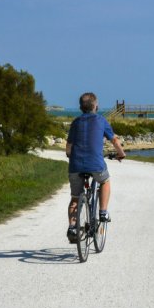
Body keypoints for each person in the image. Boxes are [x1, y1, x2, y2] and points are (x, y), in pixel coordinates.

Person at [66, 92, 126, 241]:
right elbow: (115, 141)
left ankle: (73, 228)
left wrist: (69, 155)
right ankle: (103, 212)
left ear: (81, 107)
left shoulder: (75, 122)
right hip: (95, 164)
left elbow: (69, 146)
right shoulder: (101, 120)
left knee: (75, 198)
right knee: (105, 181)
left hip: (76, 165)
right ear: (95, 106)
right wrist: (121, 154)